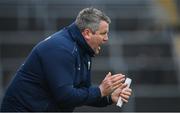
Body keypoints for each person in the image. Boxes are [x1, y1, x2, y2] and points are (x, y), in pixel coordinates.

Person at [0, 7, 132, 112]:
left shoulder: (82, 49)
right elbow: (65, 97)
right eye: (103, 33)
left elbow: (81, 92)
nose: (106, 38)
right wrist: (100, 91)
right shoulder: (61, 48)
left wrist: (108, 98)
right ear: (87, 33)